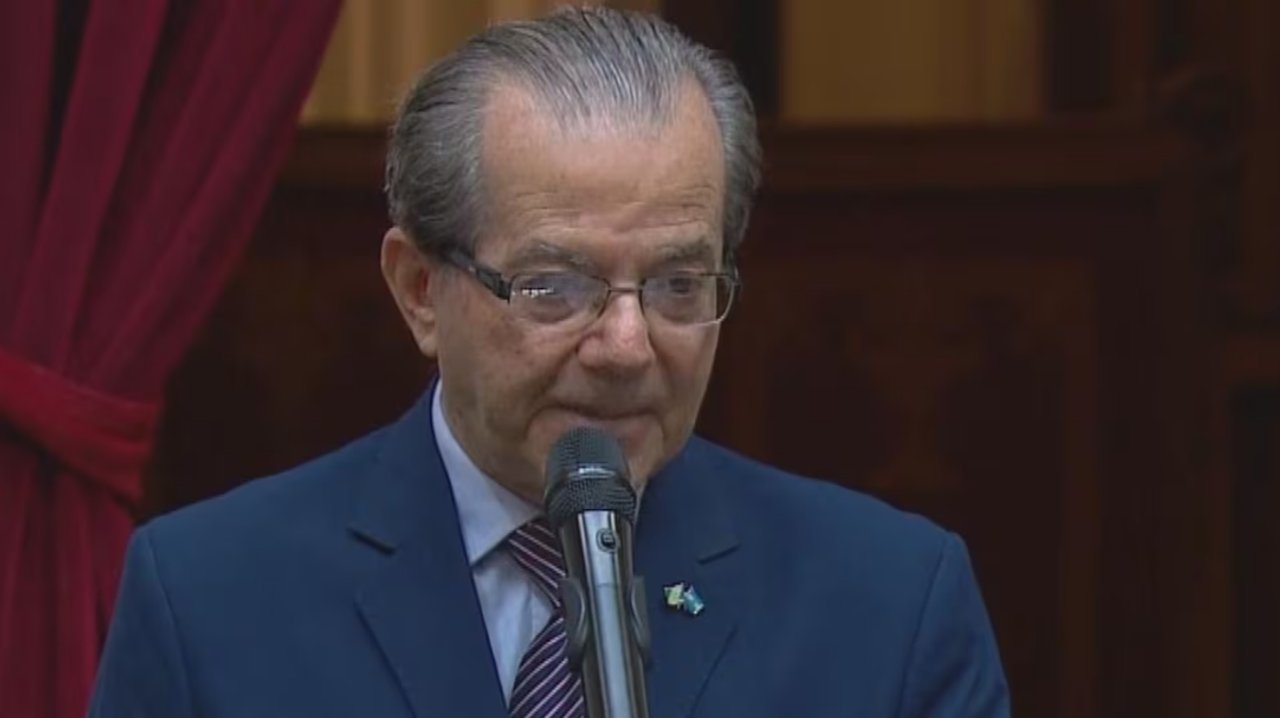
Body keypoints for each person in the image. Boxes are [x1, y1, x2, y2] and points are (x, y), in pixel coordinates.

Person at [90, 7, 1009, 717]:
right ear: (420, 290)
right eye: (553, 287)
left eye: (678, 285)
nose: (626, 345)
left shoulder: (887, 604)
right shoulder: (211, 599)